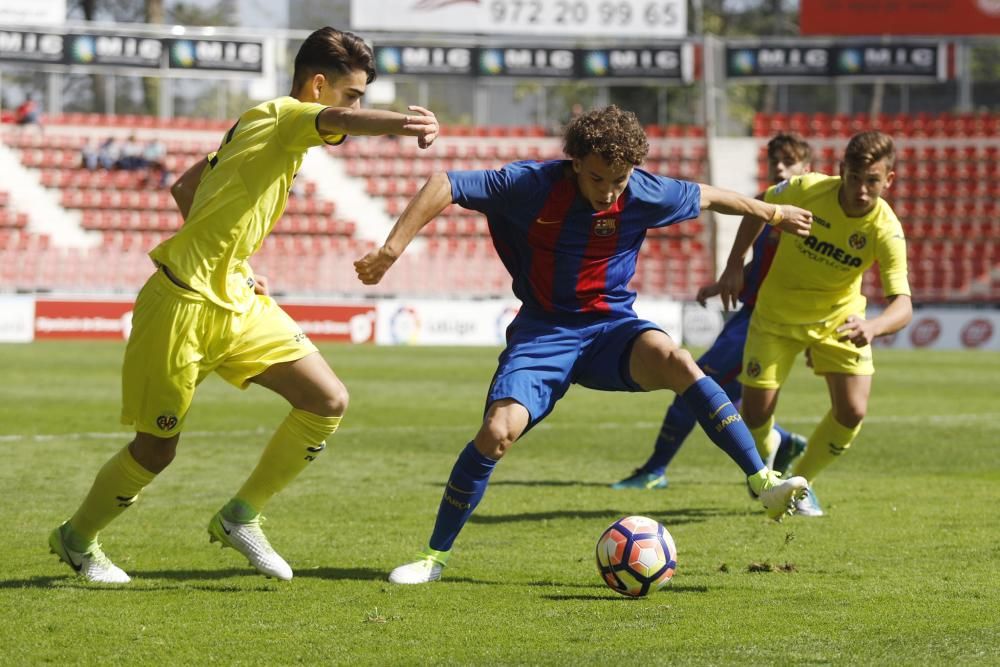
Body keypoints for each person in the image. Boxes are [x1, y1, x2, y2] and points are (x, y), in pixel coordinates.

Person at [354, 105, 813, 585]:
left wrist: (774, 211)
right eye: (598, 179)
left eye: (619, 180)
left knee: (679, 362)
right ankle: (433, 558)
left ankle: (764, 483)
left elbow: (711, 196)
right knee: (496, 433)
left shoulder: (642, 191)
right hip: (544, 333)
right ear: (574, 161)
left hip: (612, 328)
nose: (609, 192)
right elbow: (443, 183)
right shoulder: (532, 185)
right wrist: (390, 249)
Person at [48, 26, 440, 584]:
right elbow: (341, 122)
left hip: (234, 297)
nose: (354, 107)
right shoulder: (285, 115)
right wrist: (405, 122)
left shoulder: (261, 129)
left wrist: (228, 258)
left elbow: (186, 185)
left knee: (326, 400)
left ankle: (240, 517)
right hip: (180, 305)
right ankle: (77, 539)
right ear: (319, 85)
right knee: (157, 450)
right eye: (351, 94)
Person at [717, 130, 912, 517]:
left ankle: (801, 485)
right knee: (754, 415)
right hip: (776, 316)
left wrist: (872, 327)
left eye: (872, 181)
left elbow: (903, 305)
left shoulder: (885, 229)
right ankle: (772, 445)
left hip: (838, 320)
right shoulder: (807, 189)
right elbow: (759, 205)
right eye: (854, 178)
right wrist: (736, 261)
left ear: (888, 180)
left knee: (852, 411)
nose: (861, 189)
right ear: (841, 171)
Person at [612, 133, 813, 491]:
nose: (779, 168)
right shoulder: (773, 212)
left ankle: (655, 470)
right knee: (728, 397)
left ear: (806, 169)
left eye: (789, 162)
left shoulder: (805, 217)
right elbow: (768, 267)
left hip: (765, 322)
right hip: (752, 313)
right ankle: (783, 440)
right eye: (774, 162)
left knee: (695, 382)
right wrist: (728, 281)